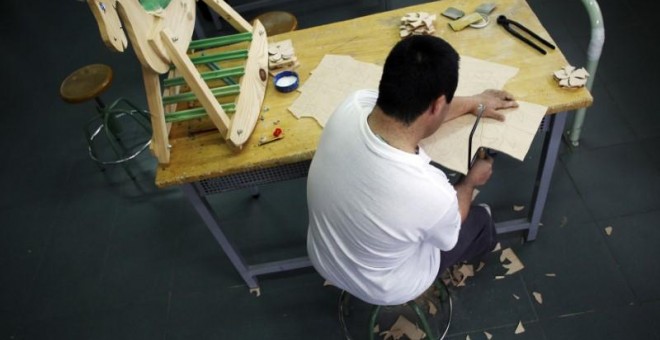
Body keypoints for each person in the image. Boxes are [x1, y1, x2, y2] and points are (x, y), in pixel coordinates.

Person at [306, 35, 519, 306]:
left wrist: (477, 102)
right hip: (386, 288)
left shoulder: (353, 104)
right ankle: (484, 235)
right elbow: (449, 232)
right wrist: (470, 183)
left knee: (423, 216)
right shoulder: (429, 192)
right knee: (478, 219)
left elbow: (417, 109)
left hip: (324, 258)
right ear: (437, 105)